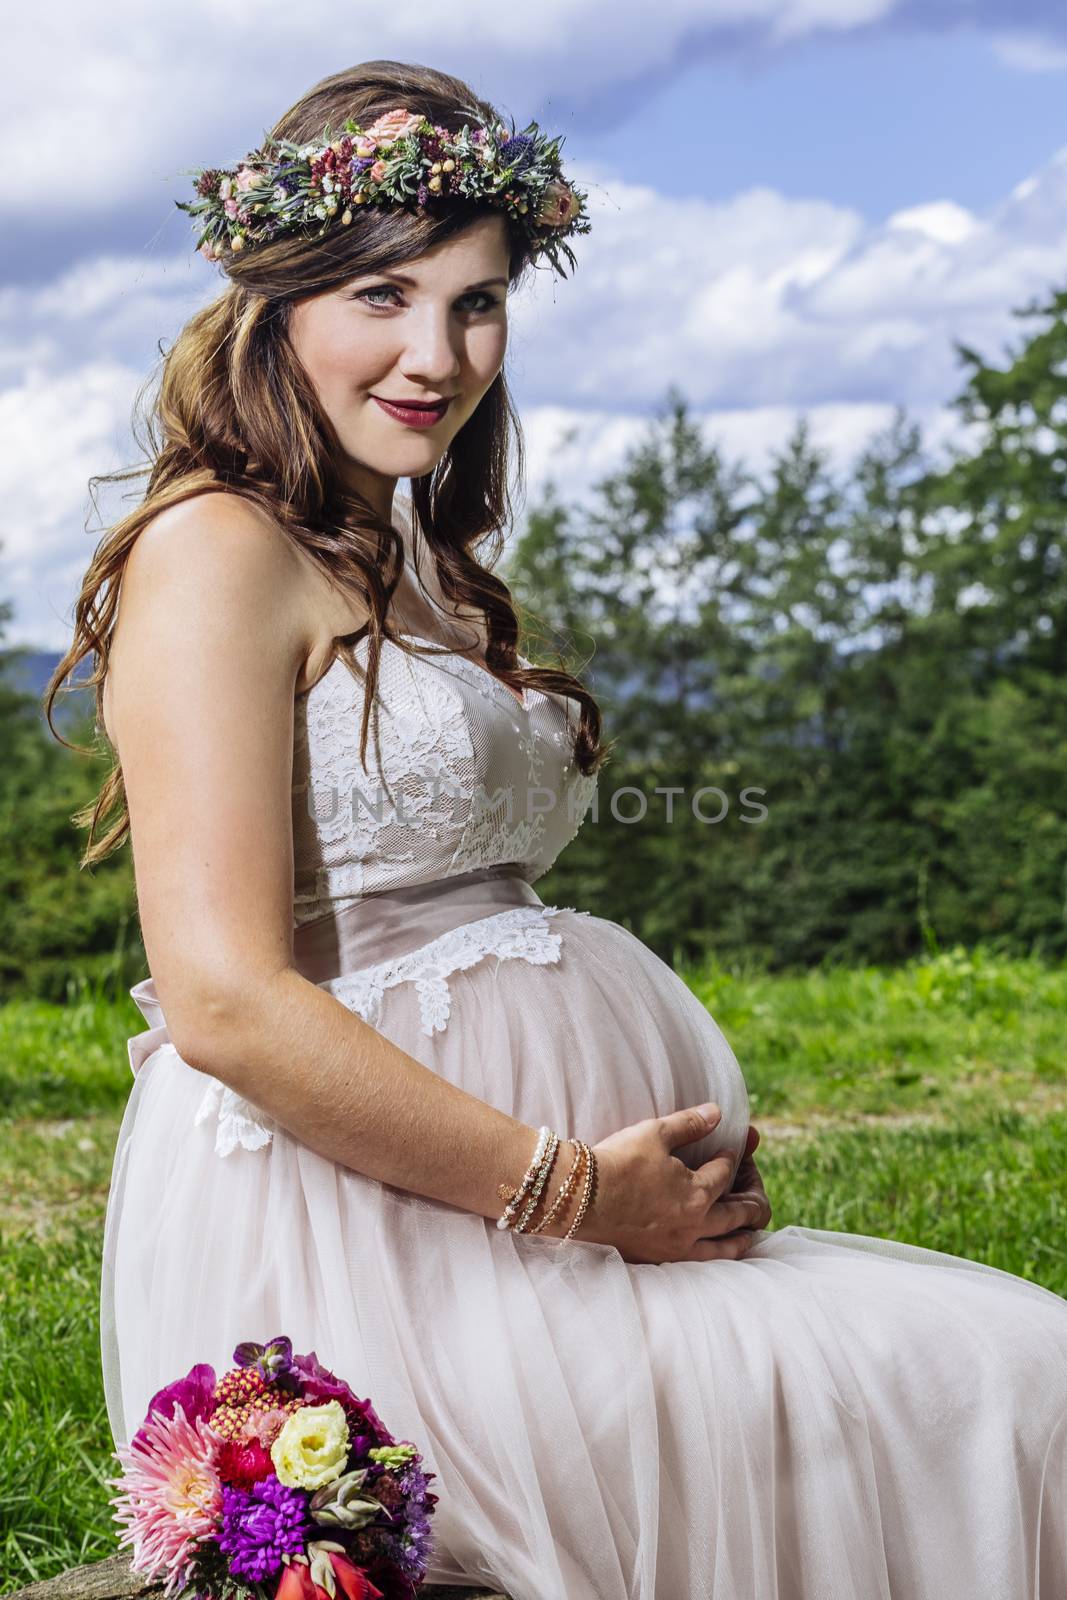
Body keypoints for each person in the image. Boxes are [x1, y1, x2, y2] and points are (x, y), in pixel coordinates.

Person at [52, 59, 1067, 1600]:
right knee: (1007, 1380)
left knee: (1002, 1374)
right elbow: (225, 1002)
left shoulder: (407, 555)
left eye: (478, 302)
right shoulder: (218, 550)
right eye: (382, 297)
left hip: (547, 1245)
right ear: (278, 300)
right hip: (372, 1252)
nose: (437, 353)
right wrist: (583, 1194)